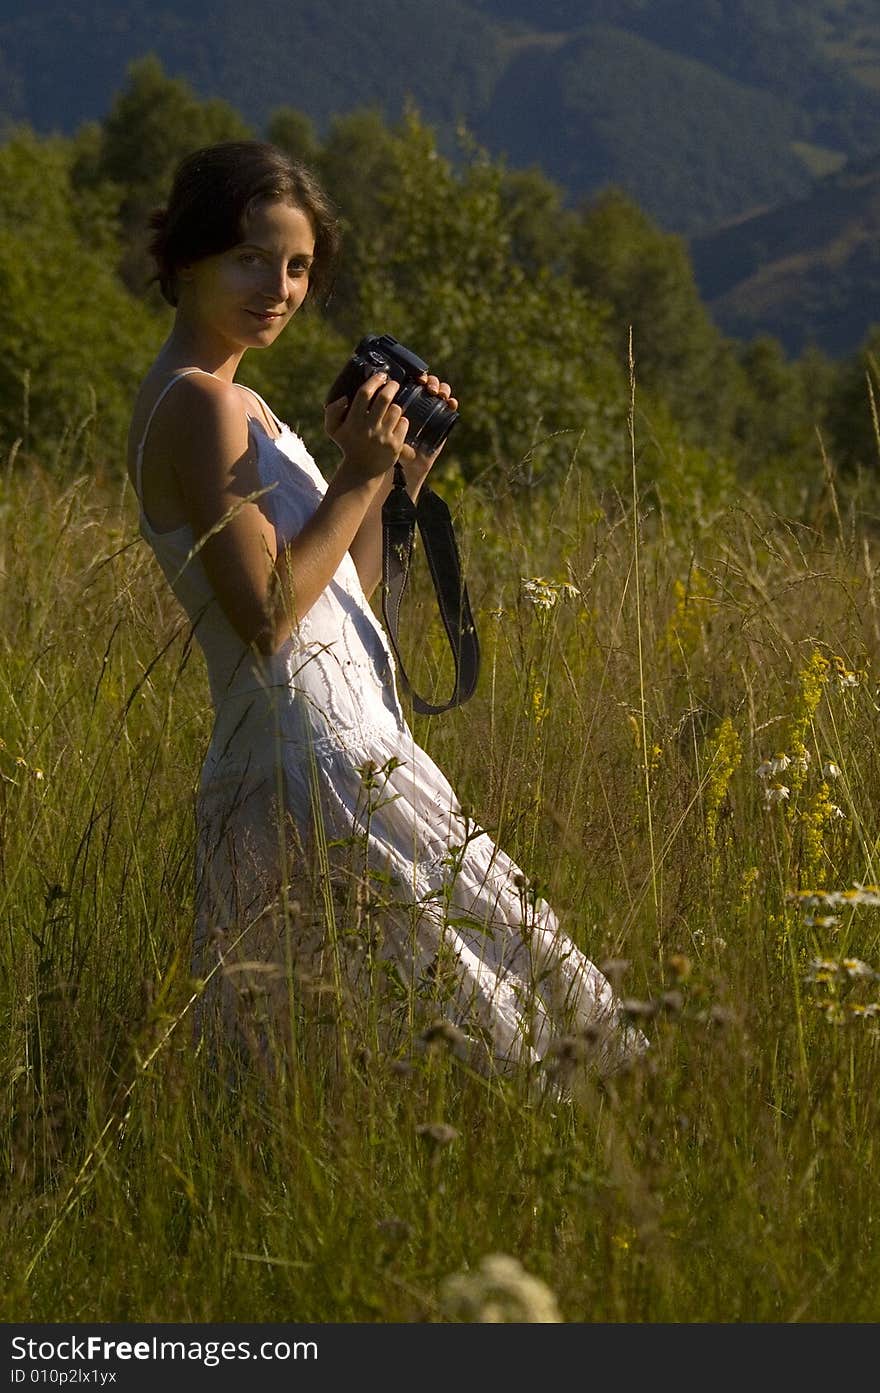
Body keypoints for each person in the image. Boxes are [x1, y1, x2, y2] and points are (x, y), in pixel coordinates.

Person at [127, 140, 646, 1082]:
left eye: (297, 266)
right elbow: (268, 617)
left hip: (339, 745)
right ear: (187, 255)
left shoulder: (245, 407)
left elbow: (345, 598)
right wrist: (356, 472)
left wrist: (394, 483)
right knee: (502, 1025)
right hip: (308, 761)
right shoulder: (200, 406)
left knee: (398, 1037)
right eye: (251, 257)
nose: (277, 287)